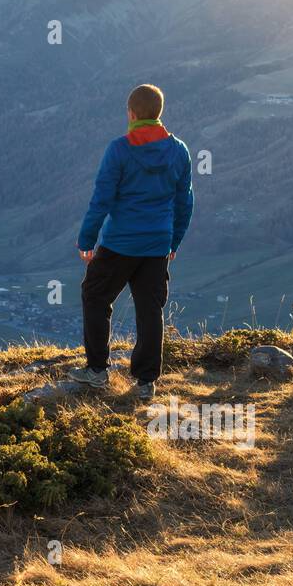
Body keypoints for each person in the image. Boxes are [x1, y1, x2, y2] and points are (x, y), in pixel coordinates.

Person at [69, 84, 193, 397]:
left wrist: (87, 238)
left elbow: (102, 199)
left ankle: (97, 370)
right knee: (149, 309)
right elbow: (184, 202)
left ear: (132, 114)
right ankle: (146, 382)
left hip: (119, 244)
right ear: (158, 113)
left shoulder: (120, 149)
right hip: (156, 245)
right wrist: (173, 242)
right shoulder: (179, 151)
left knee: (95, 296)